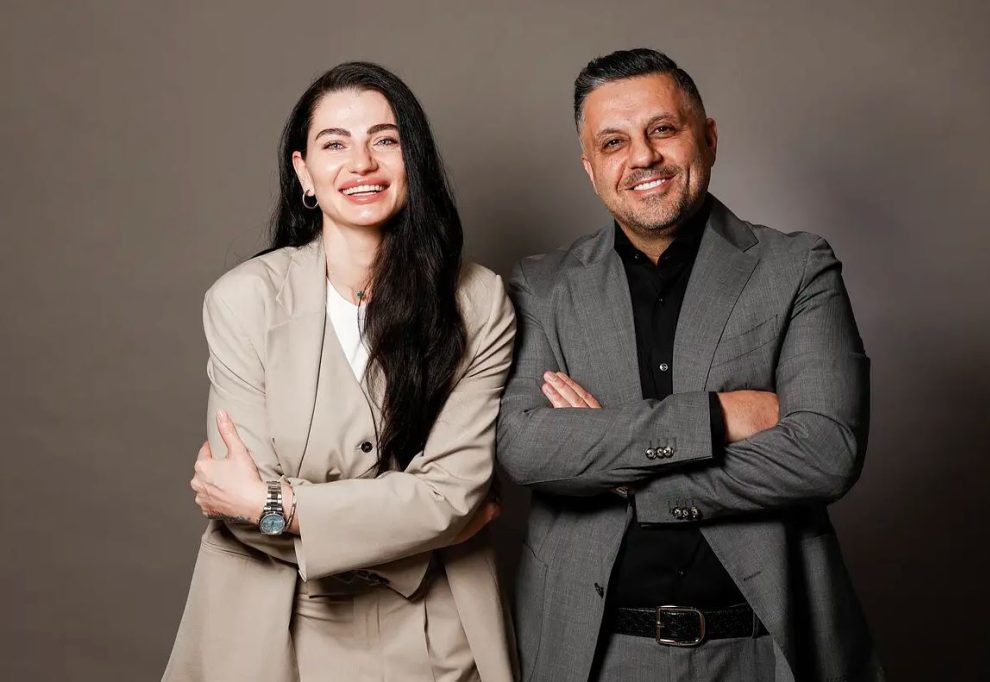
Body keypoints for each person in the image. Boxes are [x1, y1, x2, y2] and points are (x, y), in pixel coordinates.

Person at [497, 48, 884, 682]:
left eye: (663, 129)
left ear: (708, 137)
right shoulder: (542, 287)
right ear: (591, 168)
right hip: (593, 658)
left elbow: (825, 451)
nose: (643, 157)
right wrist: (715, 418)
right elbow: (526, 447)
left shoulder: (797, 267)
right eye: (614, 142)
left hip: (761, 651)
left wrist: (625, 478)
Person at [164, 62, 517, 682]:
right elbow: (236, 511)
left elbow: (453, 497)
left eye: (385, 140)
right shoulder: (243, 300)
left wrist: (272, 502)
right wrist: (427, 526)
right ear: (304, 172)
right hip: (276, 629)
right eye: (335, 144)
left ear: (414, 159)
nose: (362, 163)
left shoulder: (479, 301)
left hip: (437, 634)